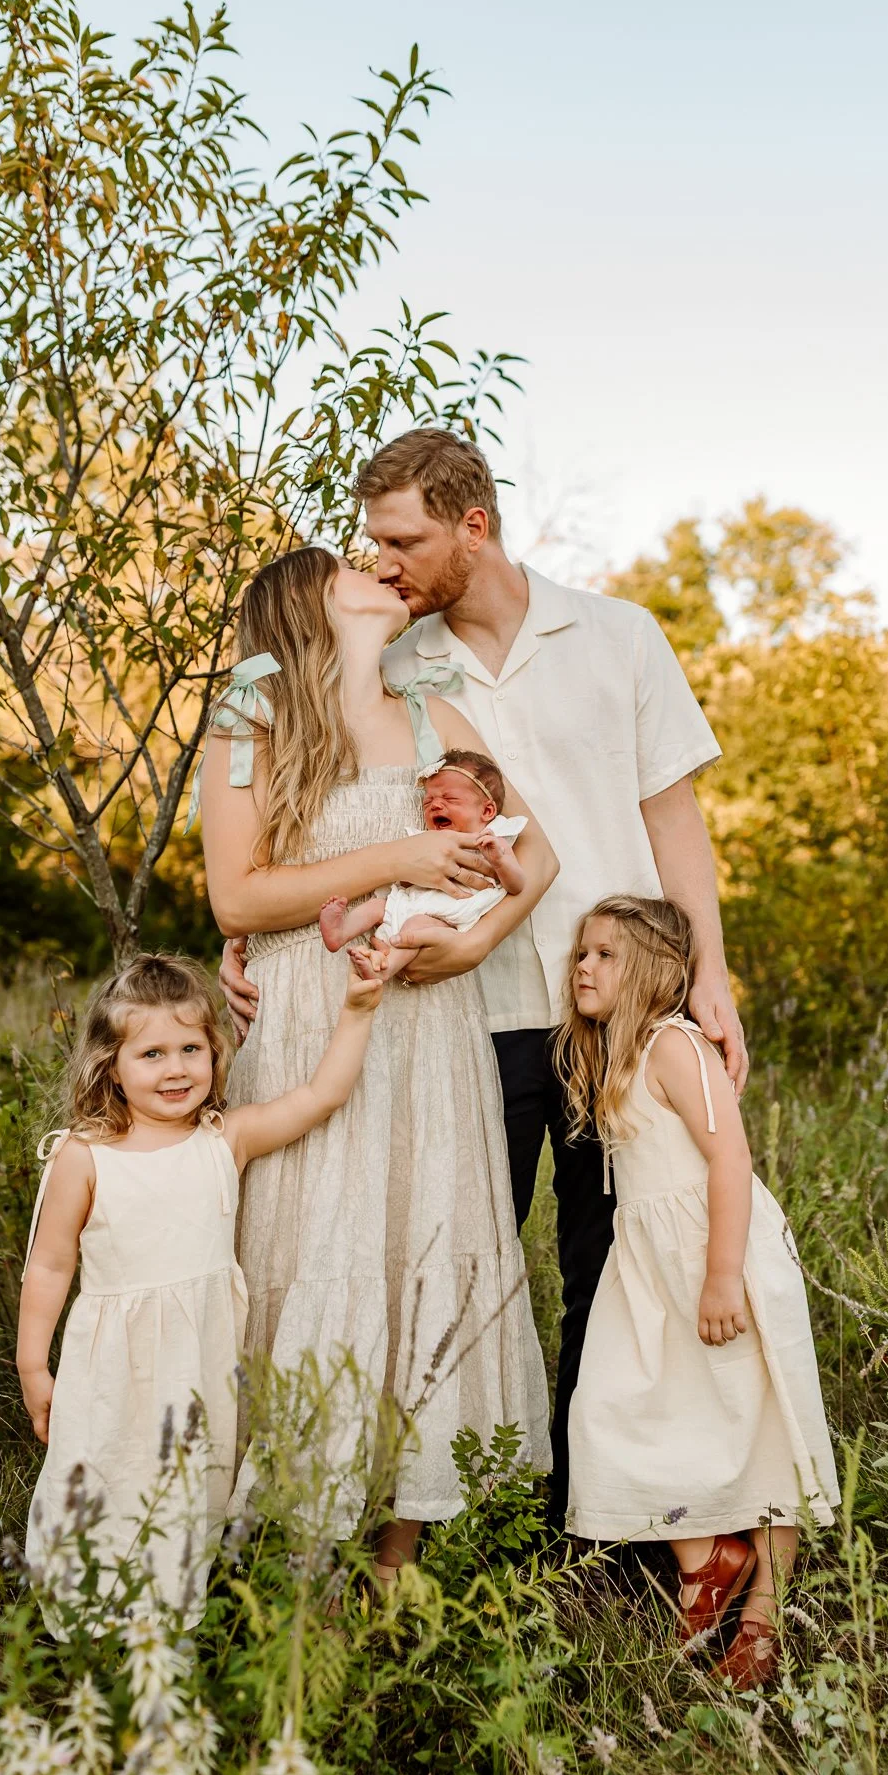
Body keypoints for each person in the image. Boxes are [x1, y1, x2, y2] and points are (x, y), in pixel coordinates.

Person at [219, 429, 745, 1521]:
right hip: (465, 1015)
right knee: (455, 1265)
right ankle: (459, 1511)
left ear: (475, 523)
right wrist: (258, 932)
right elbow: (288, 758)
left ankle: (611, 1523)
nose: (380, 562)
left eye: (401, 538)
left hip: (619, 1012)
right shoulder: (387, 658)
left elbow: (672, 818)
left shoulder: (617, 635)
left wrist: (713, 973)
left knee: (619, 1266)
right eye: (369, 544)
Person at [197, 546, 556, 1589]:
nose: (381, 571)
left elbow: (536, 860)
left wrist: (476, 941)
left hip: (428, 1025)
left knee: (418, 1239)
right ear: (310, 601)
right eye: (354, 566)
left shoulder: (437, 717)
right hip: (311, 1017)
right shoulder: (247, 721)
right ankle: (297, 1557)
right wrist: (397, 859)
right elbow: (238, 898)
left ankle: (396, 1557)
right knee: (311, 1244)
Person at [18, 952, 383, 1625]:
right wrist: (33, 1363)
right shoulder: (84, 1154)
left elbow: (319, 1097)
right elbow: (49, 1266)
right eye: (151, 1053)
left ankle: (171, 1620)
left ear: (215, 1053)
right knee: (103, 1477)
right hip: (112, 1370)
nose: (177, 1068)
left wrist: (356, 1011)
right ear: (111, 1065)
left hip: (199, 1367)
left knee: (188, 1490)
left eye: (192, 1048)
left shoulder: (225, 1140)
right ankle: (87, 1627)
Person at [556, 897, 839, 1688]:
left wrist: (720, 1276)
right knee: (604, 1407)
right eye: (581, 953)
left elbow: (728, 1160)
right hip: (648, 1265)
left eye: (605, 955)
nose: (583, 966)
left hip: (715, 1255)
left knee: (757, 1424)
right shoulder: (614, 1053)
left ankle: (761, 1623)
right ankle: (705, 1553)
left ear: (657, 972)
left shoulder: (674, 1044)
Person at [319, 747, 526, 983]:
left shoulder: (495, 841)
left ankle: (385, 968)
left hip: (445, 914)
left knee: (417, 927)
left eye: (450, 799)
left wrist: (501, 862)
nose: (435, 806)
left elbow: (516, 886)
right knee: (377, 905)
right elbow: (406, 880)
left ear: (487, 810)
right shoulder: (425, 840)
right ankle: (340, 933)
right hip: (411, 901)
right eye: (428, 802)